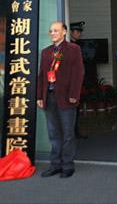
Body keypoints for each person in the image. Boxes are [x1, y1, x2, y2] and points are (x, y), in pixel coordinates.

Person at [37, 21, 84, 178]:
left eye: (56, 30)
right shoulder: (45, 52)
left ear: (64, 32)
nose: (53, 33)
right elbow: (42, 76)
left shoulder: (73, 49)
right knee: (53, 133)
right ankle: (55, 164)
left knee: (68, 133)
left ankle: (68, 165)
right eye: (50, 31)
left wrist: (74, 94)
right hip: (49, 97)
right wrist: (39, 96)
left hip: (66, 98)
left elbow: (78, 73)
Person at [68, 21, 87, 139]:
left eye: (79, 31)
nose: (79, 34)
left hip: (77, 81)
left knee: (76, 107)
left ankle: (75, 131)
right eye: (77, 31)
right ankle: (71, 132)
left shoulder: (77, 45)